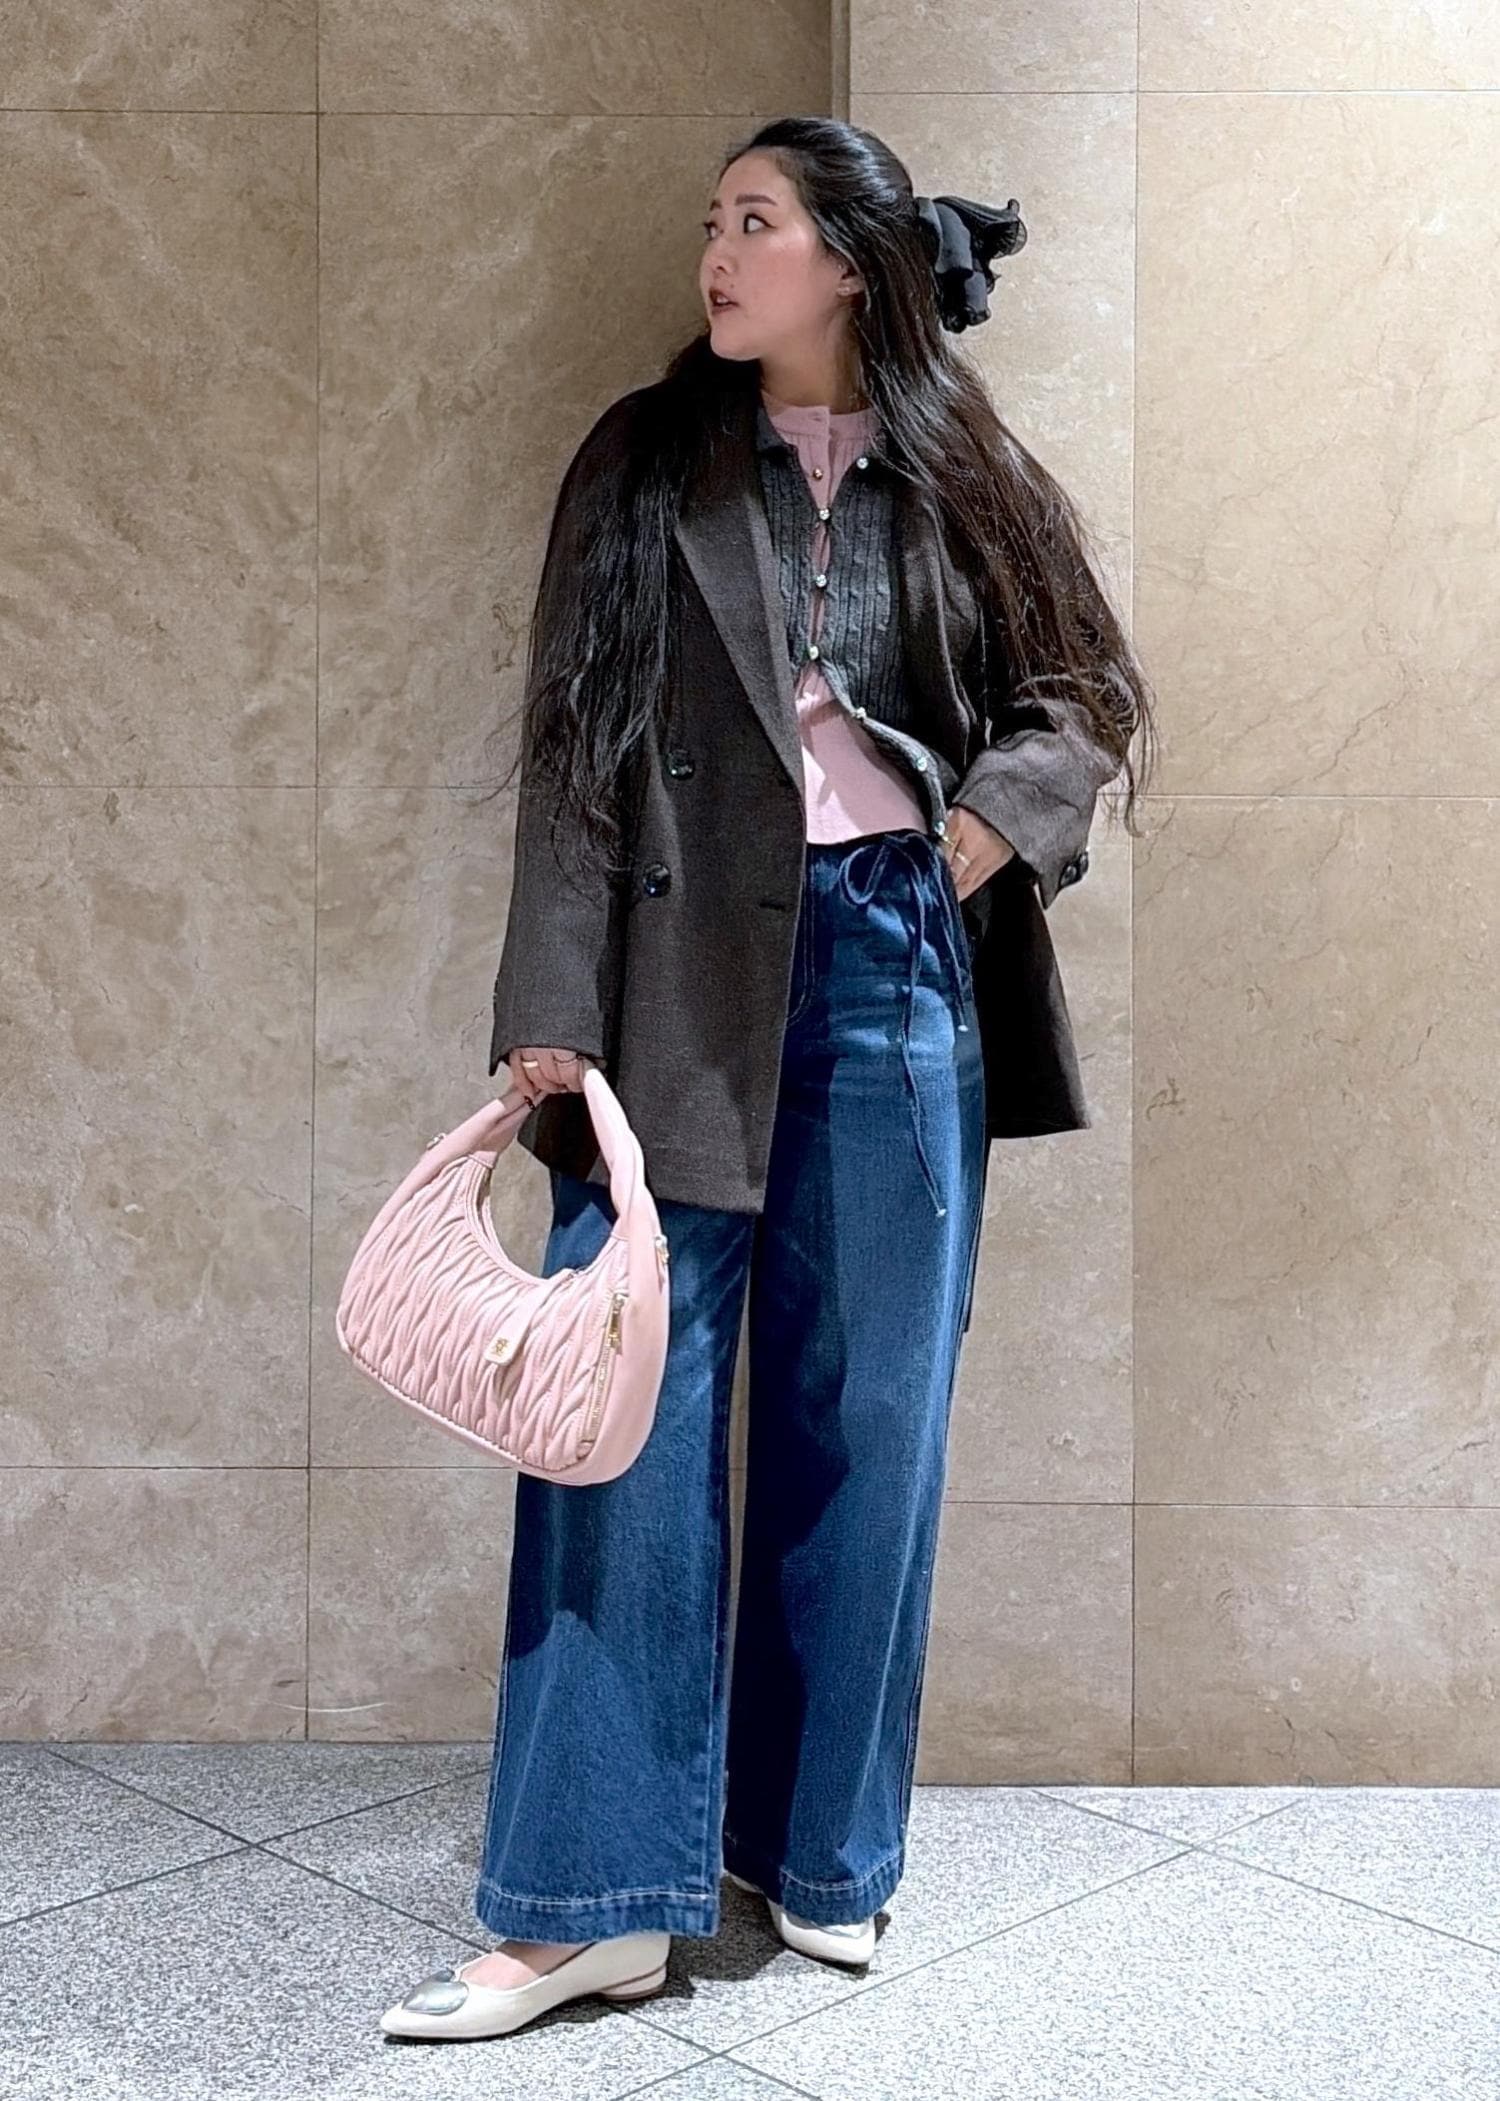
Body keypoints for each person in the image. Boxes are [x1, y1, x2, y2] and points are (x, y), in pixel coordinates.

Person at [380, 114, 1155, 2044]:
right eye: (714, 220)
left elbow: (1084, 694)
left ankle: (822, 1855)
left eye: (756, 222)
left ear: (852, 265)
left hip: (897, 965)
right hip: (673, 989)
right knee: (619, 1417)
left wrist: (982, 832)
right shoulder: (646, 460)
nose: (718, 254)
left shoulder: (962, 467)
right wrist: (548, 1006)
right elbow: (575, 750)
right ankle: (590, 1902)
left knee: (871, 1417)